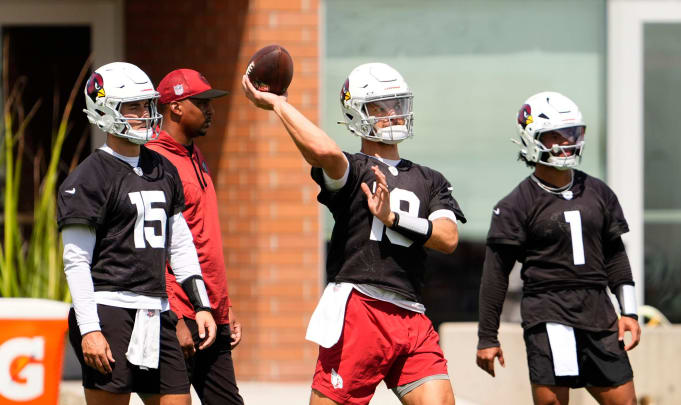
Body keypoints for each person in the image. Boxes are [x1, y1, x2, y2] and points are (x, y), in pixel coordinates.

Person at [242, 63, 466, 405]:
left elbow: (448, 238)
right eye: (380, 107)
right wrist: (279, 105)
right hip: (361, 307)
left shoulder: (429, 178)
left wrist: (393, 217)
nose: (393, 114)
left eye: (397, 104)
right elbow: (325, 153)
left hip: (411, 312)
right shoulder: (354, 169)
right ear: (356, 113)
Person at [58, 62, 217, 405]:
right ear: (104, 109)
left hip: (156, 310)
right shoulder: (88, 178)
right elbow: (76, 262)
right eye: (133, 106)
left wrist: (200, 304)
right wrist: (90, 329)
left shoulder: (163, 167)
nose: (145, 114)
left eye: (147, 105)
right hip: (109, 308)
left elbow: (180, 243)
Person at [475, 91, 641, 405]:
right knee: (552, 403)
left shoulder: (599, 192)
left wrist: (629, 311)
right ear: (531, 139)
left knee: (624, 402)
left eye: (572, 134)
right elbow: (495, 276)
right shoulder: (515, 205)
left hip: (598, 311)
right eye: (555, 136)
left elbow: (615, 255)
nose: (566, 143)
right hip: (547, 311)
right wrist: (487, 336)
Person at [146, 68, 244, 405]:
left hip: (210, 311)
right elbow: (154, 247)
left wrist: (223, 306)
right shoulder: (153, 161)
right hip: (180, 313)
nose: (210, 110)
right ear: (175, 107)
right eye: (201, 103)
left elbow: (206, 239)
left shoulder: (194, 154)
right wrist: (173, 319)